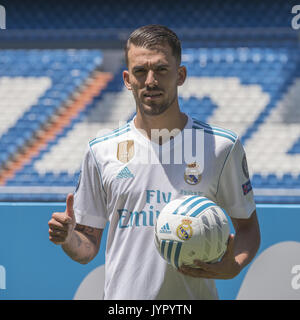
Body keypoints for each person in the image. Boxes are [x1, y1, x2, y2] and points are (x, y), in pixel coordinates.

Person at [48, 24, 260, 300]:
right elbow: (87, 247)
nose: (150, 80)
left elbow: (248, 227)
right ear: (127, 79)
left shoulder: (221, 146)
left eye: (161, 69)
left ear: (180, 74)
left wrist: (235, 264)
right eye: (140, 71)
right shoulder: (101, 151)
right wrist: (68, 239)